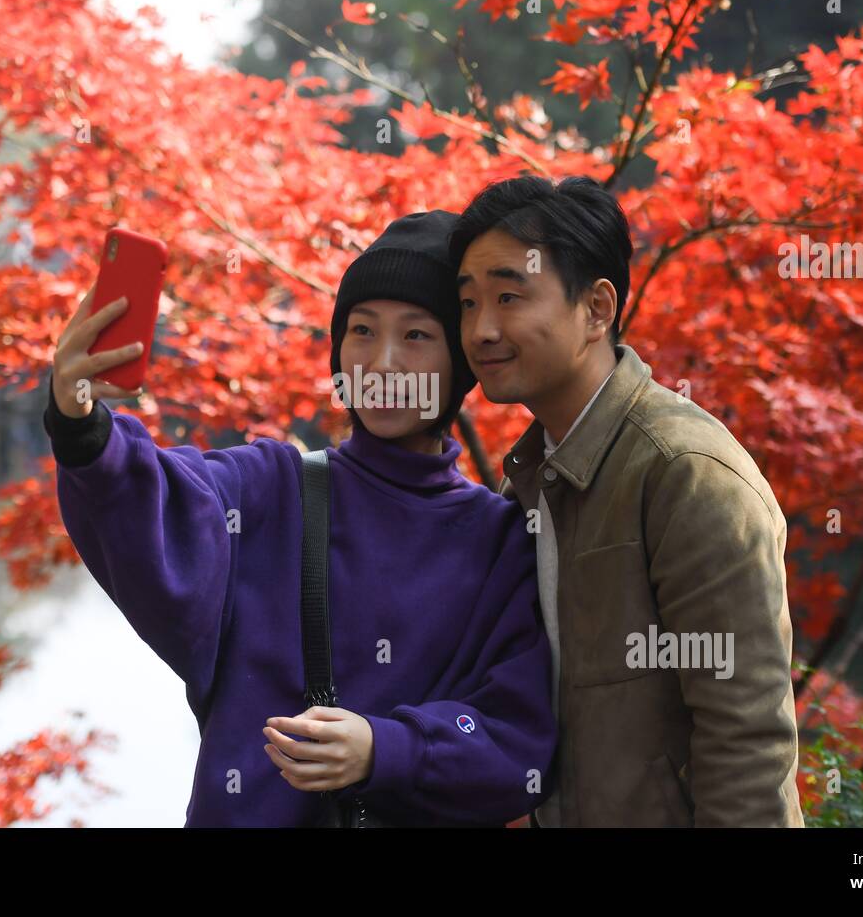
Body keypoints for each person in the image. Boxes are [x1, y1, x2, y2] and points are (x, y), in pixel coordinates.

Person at [43, 210, 556, 826]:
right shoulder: (271, 488)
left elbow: (515, 740)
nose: (383, 362)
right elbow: (153, 491)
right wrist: (81, 427)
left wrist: (384, 748)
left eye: (417, 335)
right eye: (362, 331)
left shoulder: (499, 539)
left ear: (460, 364)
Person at [452, 175, 804, 827]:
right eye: (468, 303)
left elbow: (748, 740)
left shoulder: (685, 473)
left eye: (508, 297)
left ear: (596, 308)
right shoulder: (528, 482)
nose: (482, 329)